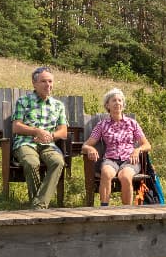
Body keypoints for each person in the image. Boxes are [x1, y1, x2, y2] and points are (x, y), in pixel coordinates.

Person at [81, 88, 152, 206]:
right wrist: (90, 149)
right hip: (110, 159)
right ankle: (104, 208)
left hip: (129, 160)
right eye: (114, 100)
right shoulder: (102, 125)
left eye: (120, 100)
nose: (117, 103)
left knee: (125, 176)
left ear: (123, 105)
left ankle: (126, 211)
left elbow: (147, 145)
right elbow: (86, 145)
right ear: (107, 105)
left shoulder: (132, 123)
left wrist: (137, 150)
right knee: (106, 173)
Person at [11, 66, 68, 209]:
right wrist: (36, 131)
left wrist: (50, 136)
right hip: (25, 142)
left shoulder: (58, 105)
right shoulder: (23, 101)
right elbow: (16, 127)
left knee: (57, 162)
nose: (48, 85)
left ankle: (38, 204)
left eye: (50, 81)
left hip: (48, 144)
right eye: (44, 81)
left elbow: (63, 131)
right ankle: (39, 206)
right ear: (34, 83)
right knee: (31, 162)